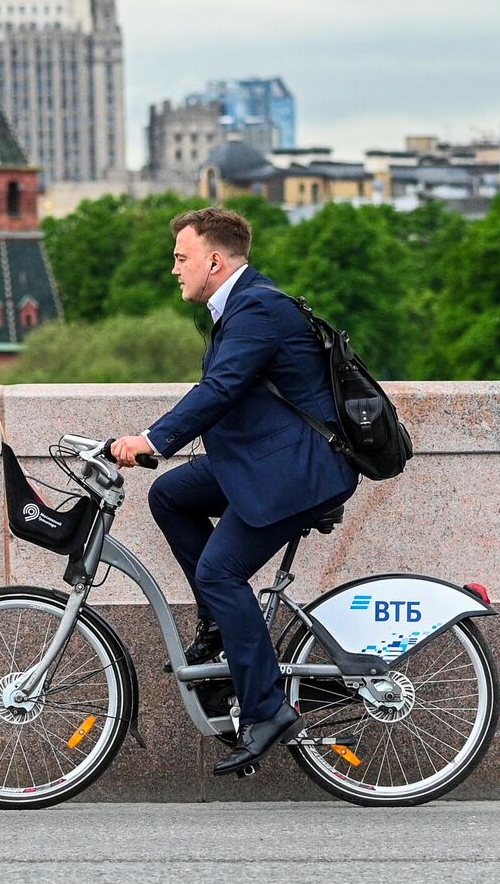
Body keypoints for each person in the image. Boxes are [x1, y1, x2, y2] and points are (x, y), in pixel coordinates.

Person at [110, 207, 356, 776]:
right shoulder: (239, 307)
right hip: (265, 462)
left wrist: (151, 439)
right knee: (170, 496)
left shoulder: (258, 308)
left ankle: (268, 708)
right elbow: (226, 395)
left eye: (181, 257)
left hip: (299, 473)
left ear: (213, 260)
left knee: (220, 573)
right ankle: (223, 625)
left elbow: (219, 390)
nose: (174, 269)